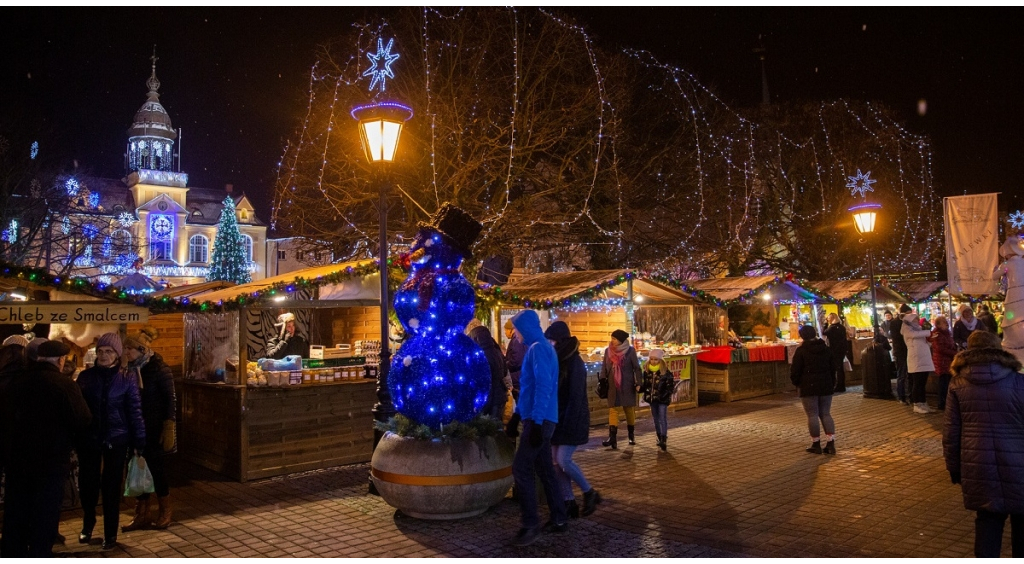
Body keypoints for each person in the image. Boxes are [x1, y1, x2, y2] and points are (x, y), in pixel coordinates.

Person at [0, 340, 91, 557]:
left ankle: (14, 553)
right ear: (60, 361)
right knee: (45, 512)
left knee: (17, 511)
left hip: (17, 460)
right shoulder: (64, 385)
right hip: (50, 460)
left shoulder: (18, 382)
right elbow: (83, 419)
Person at [943, 330, 1024, 557]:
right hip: (1018, 463)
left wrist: (954, 467)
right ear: (999, 349)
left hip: (977, 464)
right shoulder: (1020, 381)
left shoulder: (957, 383)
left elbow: (951, 430)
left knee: (987, 521)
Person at [76, 332, 146, 550]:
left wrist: (139, 440)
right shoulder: (86, 378)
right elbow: (79, 410)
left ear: (117, 355)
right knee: (88, 484)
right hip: (90, 439)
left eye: (109, 351)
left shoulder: (127, 379)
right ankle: (88, 522)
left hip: (117, 438)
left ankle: (110, 533)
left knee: (111, 486)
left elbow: (134, 411)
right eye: (101, 351)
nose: (104, 355)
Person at [504, 309, 566, 546]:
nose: (516, 334)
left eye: (517, 329)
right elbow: (529, 389)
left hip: (540, 420)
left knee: (521, 469)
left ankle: (530, 525)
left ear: (526, 328)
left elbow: (542, 387)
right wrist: (517, 416)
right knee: (544, 470)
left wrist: (537, 422)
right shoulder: (538, 348)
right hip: (539, 418)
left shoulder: (539, 348)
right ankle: (559, 518)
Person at [120, 327, 177, 532]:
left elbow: (170, 399)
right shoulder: (128, 370)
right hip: (134, 427)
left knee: (156, 469)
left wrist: (169, 425)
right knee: (136, 468)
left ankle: (165, 511)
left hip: (153, 427)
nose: (126, 352)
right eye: (125, 348)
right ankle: (141, 514)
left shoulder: (159, 368)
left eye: (130, 349)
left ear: (142, 350)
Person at [544, 321, 600, 519]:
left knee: (563, 460)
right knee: (555, 462)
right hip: (557, 418)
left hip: (571, 418)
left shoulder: (574, 362)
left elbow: (575, 396)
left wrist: (568, 419)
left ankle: (589, 492)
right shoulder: (557, 359)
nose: (549, 344)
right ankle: (568, 502)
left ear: (559, 341)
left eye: (551, 340)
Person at [790, 325, 837, 454]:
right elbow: (833, 368)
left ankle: (816, 443)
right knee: (826, 413)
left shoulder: (801, 351)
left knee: (812, 415)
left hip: (808, 386)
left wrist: (796, 383)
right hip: (826, 385)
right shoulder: (826, 349)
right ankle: (830, 443)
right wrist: (832, 382)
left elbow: (795, 371)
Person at [600, 329, 642, 449]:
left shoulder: (630, 351)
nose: (612, 341)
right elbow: (604, 367)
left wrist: (639, 382)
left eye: (614, 338)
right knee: (613, 410)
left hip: (627, 385)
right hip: (613, 386)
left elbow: (637, 368)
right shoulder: (608, 351)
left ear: (621, 340)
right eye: (612, 338)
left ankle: (631, 435)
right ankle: (612, 438)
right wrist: (603, 380)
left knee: (628, 409)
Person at [466, 319, 509, 420]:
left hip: (485, 399)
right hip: (499, 397)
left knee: (485, 431)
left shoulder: (475, 352)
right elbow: (505, 371)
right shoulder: (495, 347)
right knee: (497, 430)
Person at [901, 309, 936, 414]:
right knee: (917, 383)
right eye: (915, 319)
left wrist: (930, 341)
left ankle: (923, 403)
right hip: (916, 359)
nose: (917, 321)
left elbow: (924, 341)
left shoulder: (919, 329)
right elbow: (914, 335)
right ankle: (917, 404)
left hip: (924, 358)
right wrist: (929, 333)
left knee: (922, 382)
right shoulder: (907, 329)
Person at [640, 348, 675, 452]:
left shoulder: (666, 373)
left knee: (662, 418)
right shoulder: (647, 372)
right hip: (652, 399)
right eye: (651, 359)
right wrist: (640, 389)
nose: (653, 361)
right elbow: (645, 385)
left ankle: (663, 439)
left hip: (662, 400)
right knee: (656, 418)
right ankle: (659, 436)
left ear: (660, 360)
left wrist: (663, 396)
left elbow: (670, 387)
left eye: (656, 359)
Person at [927, 315, 957, 411]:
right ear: (939, 325)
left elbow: (950, 344)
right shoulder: (937, 334)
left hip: (948, 361)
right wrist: (954, 353)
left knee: (947, 382)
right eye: (944, 322)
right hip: (941, 361)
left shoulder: (947, 333)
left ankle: (946, 402)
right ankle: (941, 403)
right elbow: (940, 348)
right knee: (943, 383)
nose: (947, 323)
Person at [823, 312, 850, 393]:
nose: (827, 320)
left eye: (828, 318)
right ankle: (841, 385)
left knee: (837, 368)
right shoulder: (841, 327)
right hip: (841, 349)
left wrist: (825, 324)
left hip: (835, 350)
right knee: (840, 368)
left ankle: (838, 385)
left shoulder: (832, 327)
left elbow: (824, 332)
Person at [890, 304, 912, 404]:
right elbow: (898, 337)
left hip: (909, 350)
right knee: (902, 374)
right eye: (908, 313)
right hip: (900, 351)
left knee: (910, 374)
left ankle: (910, 395)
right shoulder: (896, 322)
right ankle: (901, 396)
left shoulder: (907, 322)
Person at [504, 318, 527, 400]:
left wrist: (505, 365)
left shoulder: (516, 340)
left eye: (506, 330)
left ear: (511, 329)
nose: (505, 332)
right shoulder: (518, 339)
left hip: (517, 378)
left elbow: (516, 360)